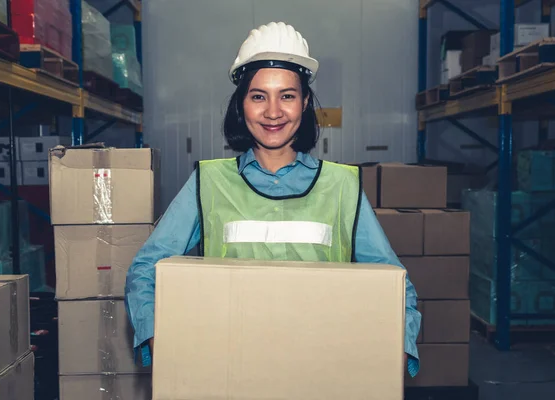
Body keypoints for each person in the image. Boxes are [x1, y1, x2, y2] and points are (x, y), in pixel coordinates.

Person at [125, 21, 421, 376]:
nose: (273, 112)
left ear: (305, 102)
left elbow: (393, 281)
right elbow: (146, 268)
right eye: (259, 96)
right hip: (232, 367)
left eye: (287, 96)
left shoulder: (342, 185)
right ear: (242, 104)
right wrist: (156, 333)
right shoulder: (210, 182)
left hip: (321, 368)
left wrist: (400, 342)